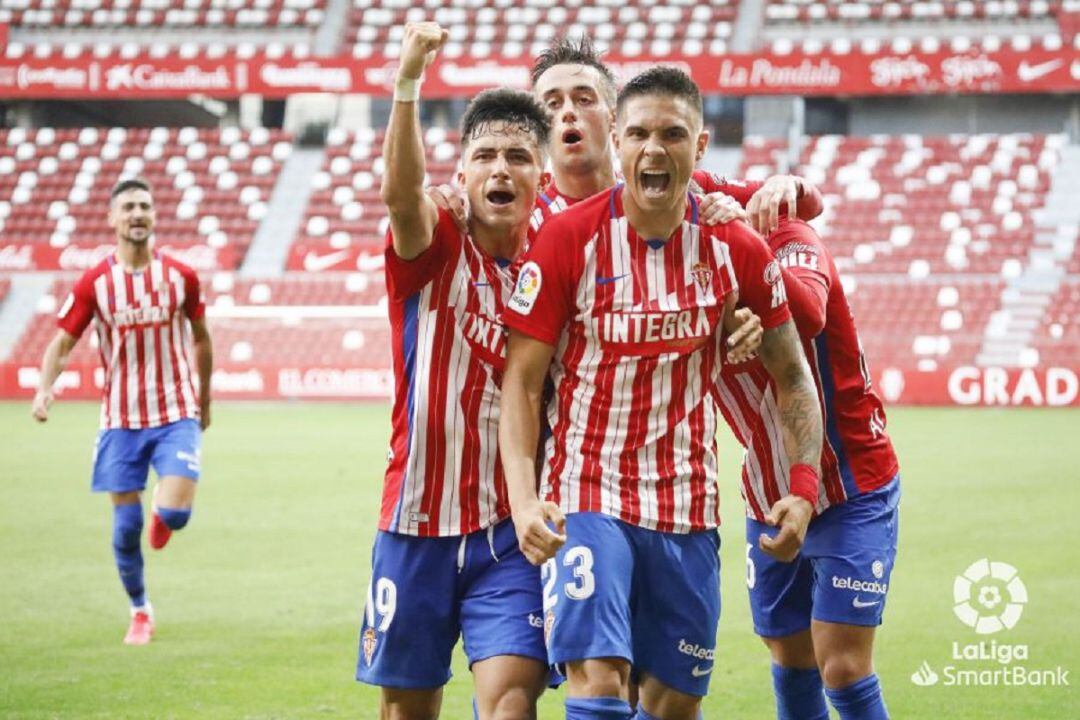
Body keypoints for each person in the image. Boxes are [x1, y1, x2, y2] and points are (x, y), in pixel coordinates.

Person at [498, 67, 825, 720]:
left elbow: (793, 375)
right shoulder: (568, 240)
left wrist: (804, 486)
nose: (655, 149)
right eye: (640, 133)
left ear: (699, 147)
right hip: (587, 493)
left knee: (672, 703)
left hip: (686, 506)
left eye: (673, 134)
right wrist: (525, 498)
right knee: (598, 676)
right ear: (617, 141)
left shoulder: (734, 244)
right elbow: (522, 384)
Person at [355, 22, 554, 720]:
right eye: (486, 155)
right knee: (407, 711)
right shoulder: (435, 244)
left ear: (542, 177)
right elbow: (400, 196)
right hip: (415, 523)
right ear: (462, 174)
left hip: (509, 530)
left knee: (510, 705)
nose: (502, 169)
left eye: (519, 157)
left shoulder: (554, 270)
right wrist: (407, 83)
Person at [715, 218, 900, 720]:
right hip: (768, 491)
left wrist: (748, 242)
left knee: (841, 665)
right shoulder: (675, 275)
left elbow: (811, 313)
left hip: (851, 484)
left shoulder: (788, 234)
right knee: (791, 658)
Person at [31, 176, 213, 646]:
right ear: (113, 218)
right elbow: (62, 343)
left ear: (154, 217)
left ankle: (163, 512)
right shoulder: (96, 282)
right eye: (128, 206)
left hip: (176, 413)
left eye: (145, 207)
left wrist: (205, 401)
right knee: (125, 530)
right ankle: (140, 610)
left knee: (174, 515)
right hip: (119, 419)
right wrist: (44, 389)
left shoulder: (180, 277)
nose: (137, 214)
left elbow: (201, 339)